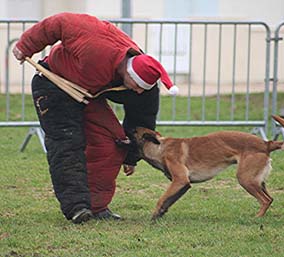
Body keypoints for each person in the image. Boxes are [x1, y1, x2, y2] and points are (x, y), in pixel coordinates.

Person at [13, 12, 178, 224]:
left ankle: (97, 207)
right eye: (136, 86)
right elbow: (58, 22)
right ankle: (77, 207)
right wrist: (26, 45)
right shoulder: (94, 41)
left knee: (113, 143)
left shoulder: (145, 85)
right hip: (53, 84)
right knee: (68, 144)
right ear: (127, 73)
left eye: (142, 89)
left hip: (85, 94)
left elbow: (141, 119)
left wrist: (131, 155)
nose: (138, 92)